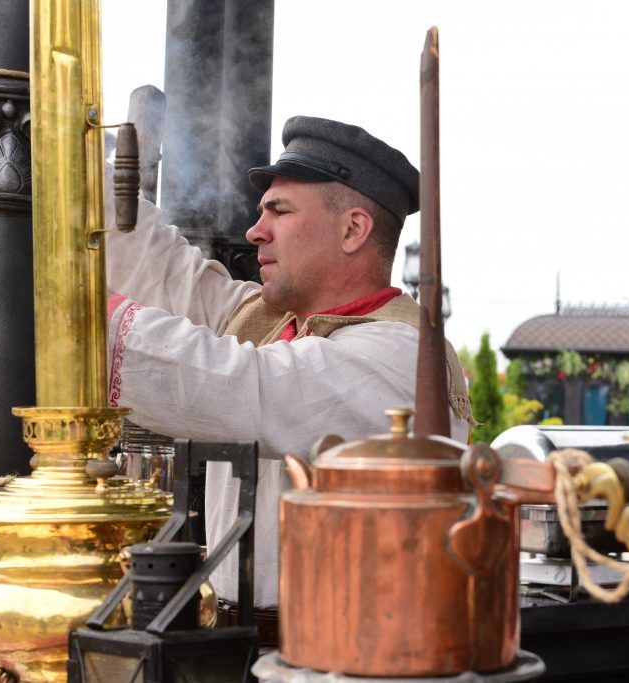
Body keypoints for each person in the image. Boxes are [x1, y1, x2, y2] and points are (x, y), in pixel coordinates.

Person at [105, 116, 471, 616]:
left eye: (279, 211)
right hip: (242, 644)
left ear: (353, 229)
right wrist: (72, 165)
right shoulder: (270, 322)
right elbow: (164, 271)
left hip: (342, 659)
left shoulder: (405, 356)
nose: (256, 231)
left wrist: (85, 318)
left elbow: (242, 389)